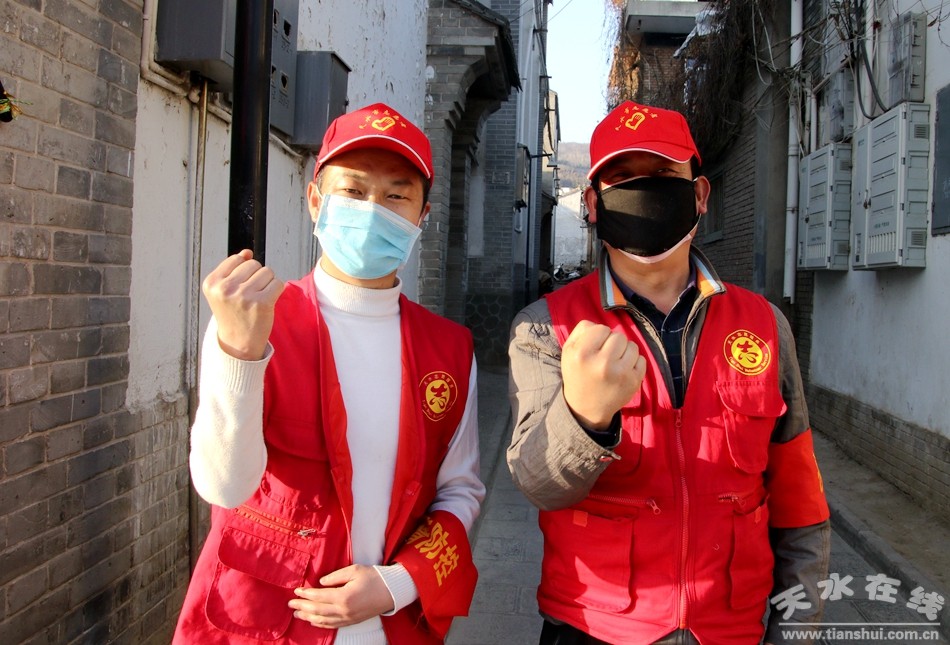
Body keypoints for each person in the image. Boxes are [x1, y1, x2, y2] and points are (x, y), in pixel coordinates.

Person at [507, 101, 831, 645]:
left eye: (661, 173)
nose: (644, 190)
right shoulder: (546, 327)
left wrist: (796, 631)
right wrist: (585, 418)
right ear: (593, 203)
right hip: (595, 627)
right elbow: (539, 484)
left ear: (699, 194)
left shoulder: (765, 325)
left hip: (731, 626)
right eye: (622, 178)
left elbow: (800, 500)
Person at [173, 103, 485, 645]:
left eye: (396, 196)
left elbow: (460, 489)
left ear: (422, 217)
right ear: (316, 199)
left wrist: (397, 583)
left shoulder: (449, 350)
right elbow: (223, 486)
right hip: (262, 622)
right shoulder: (255, 319)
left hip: (389, 628)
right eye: (353, 190)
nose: (372, 210)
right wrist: (239, 353)